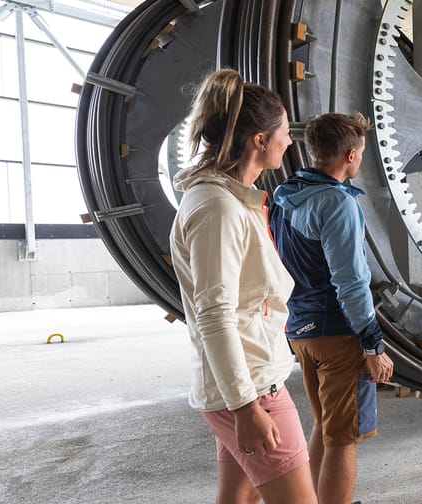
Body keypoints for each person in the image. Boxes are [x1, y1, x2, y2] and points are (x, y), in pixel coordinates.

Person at [169, 68, 317, 504]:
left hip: (241, 384)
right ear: (259, 140)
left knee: (236, 498)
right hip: (252, 390)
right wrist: (245, 408)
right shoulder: (218, 208)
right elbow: (215, 316)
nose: (289, 141)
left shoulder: (231, 199)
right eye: (284, 133)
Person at [269, 112, 395, 504]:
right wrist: (373, 345)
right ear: (351, 154)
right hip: (339, 334)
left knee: (325, 426)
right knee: (345, 438)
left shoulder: (284, 195)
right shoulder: (337, 203)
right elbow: (351, 282)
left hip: (300, 331)